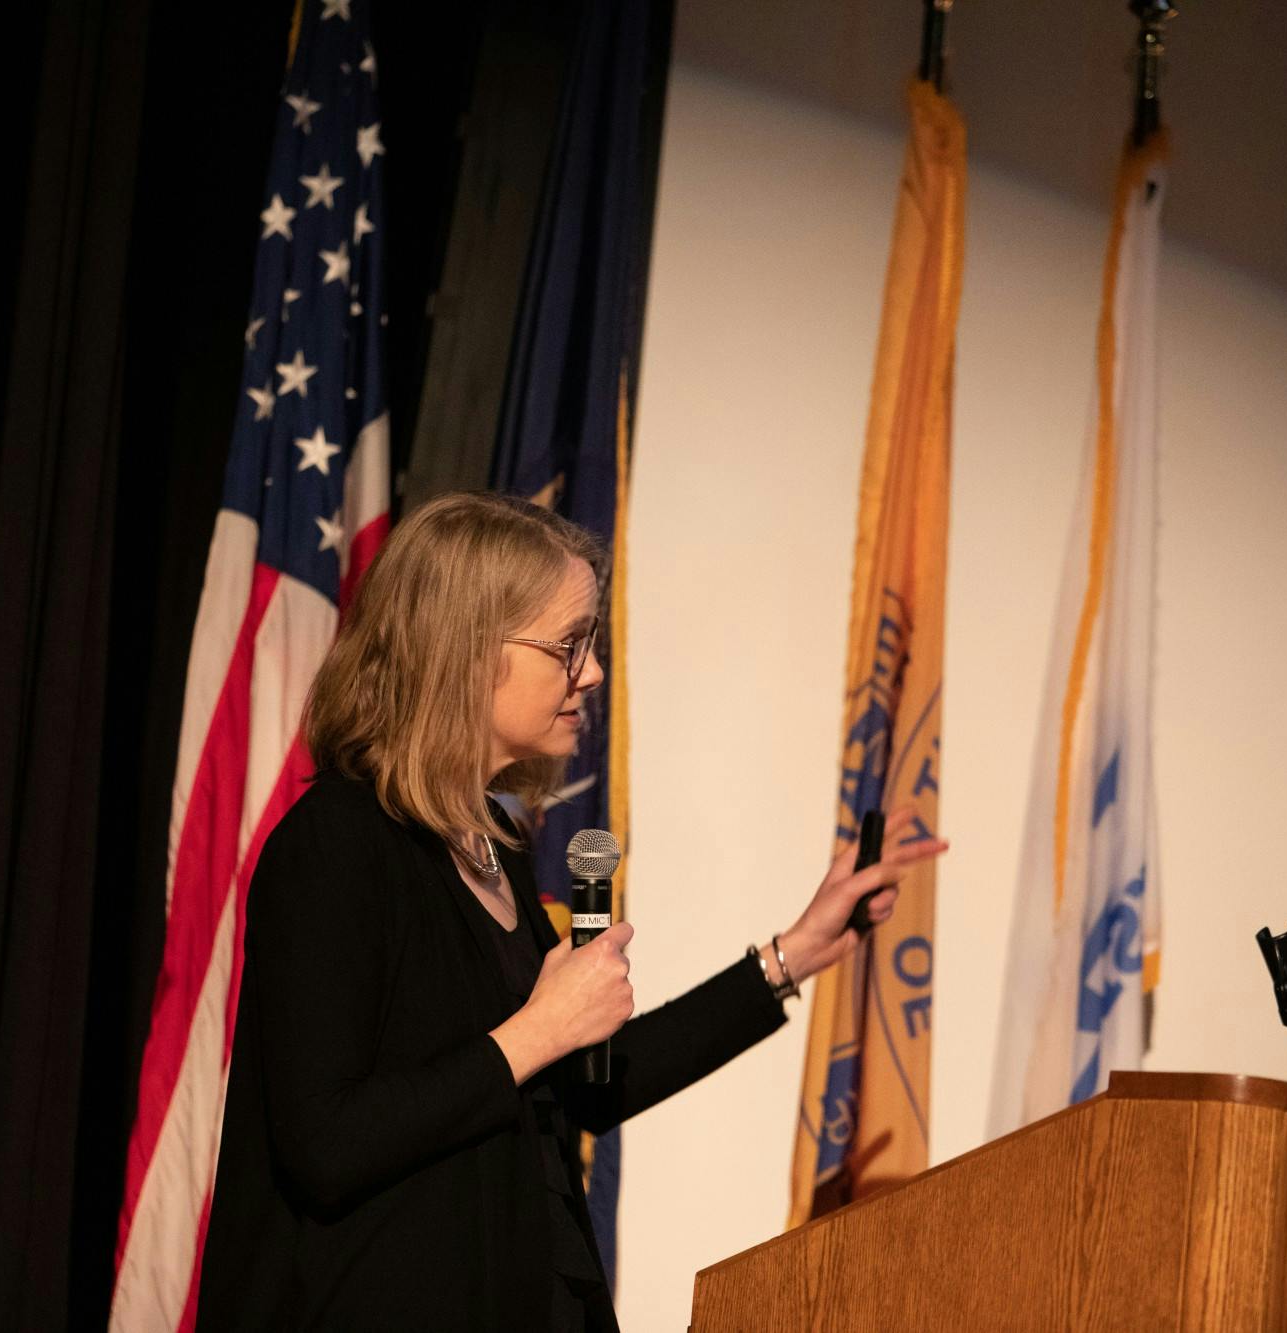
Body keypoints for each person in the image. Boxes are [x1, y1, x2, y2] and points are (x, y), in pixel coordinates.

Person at [196, 492, 945, 1330]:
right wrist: (535, 1032)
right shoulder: (336, 843)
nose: (589, 672)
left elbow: (584, 1087)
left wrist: (794, 952)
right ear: (469, 651)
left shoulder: (496, 847)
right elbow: (326, 1143)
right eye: (568, 645)